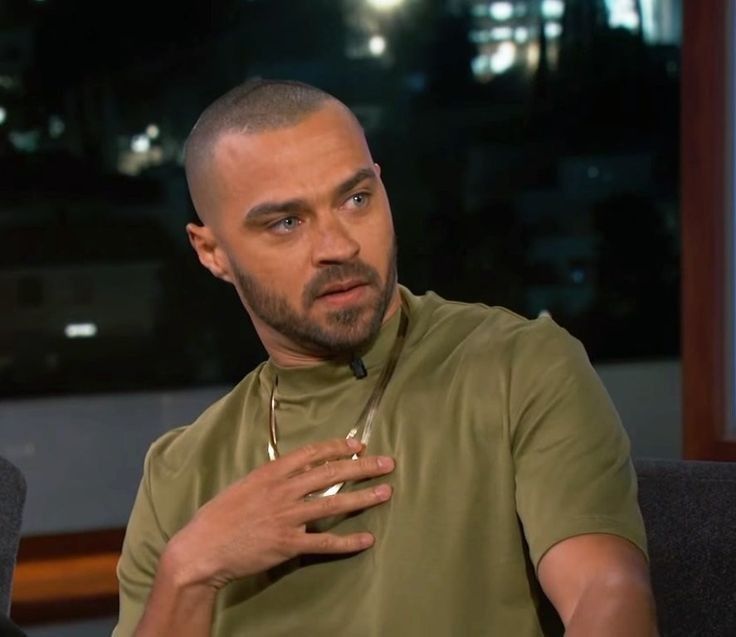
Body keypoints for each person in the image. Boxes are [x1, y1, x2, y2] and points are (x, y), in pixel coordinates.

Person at [114, 79, 657, 636]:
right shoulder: (178, 471)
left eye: (356, 199)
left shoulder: (517, 366)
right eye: (287, 222)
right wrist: (189, 571)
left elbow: (605, 592)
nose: (339, 246)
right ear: (213, 253)